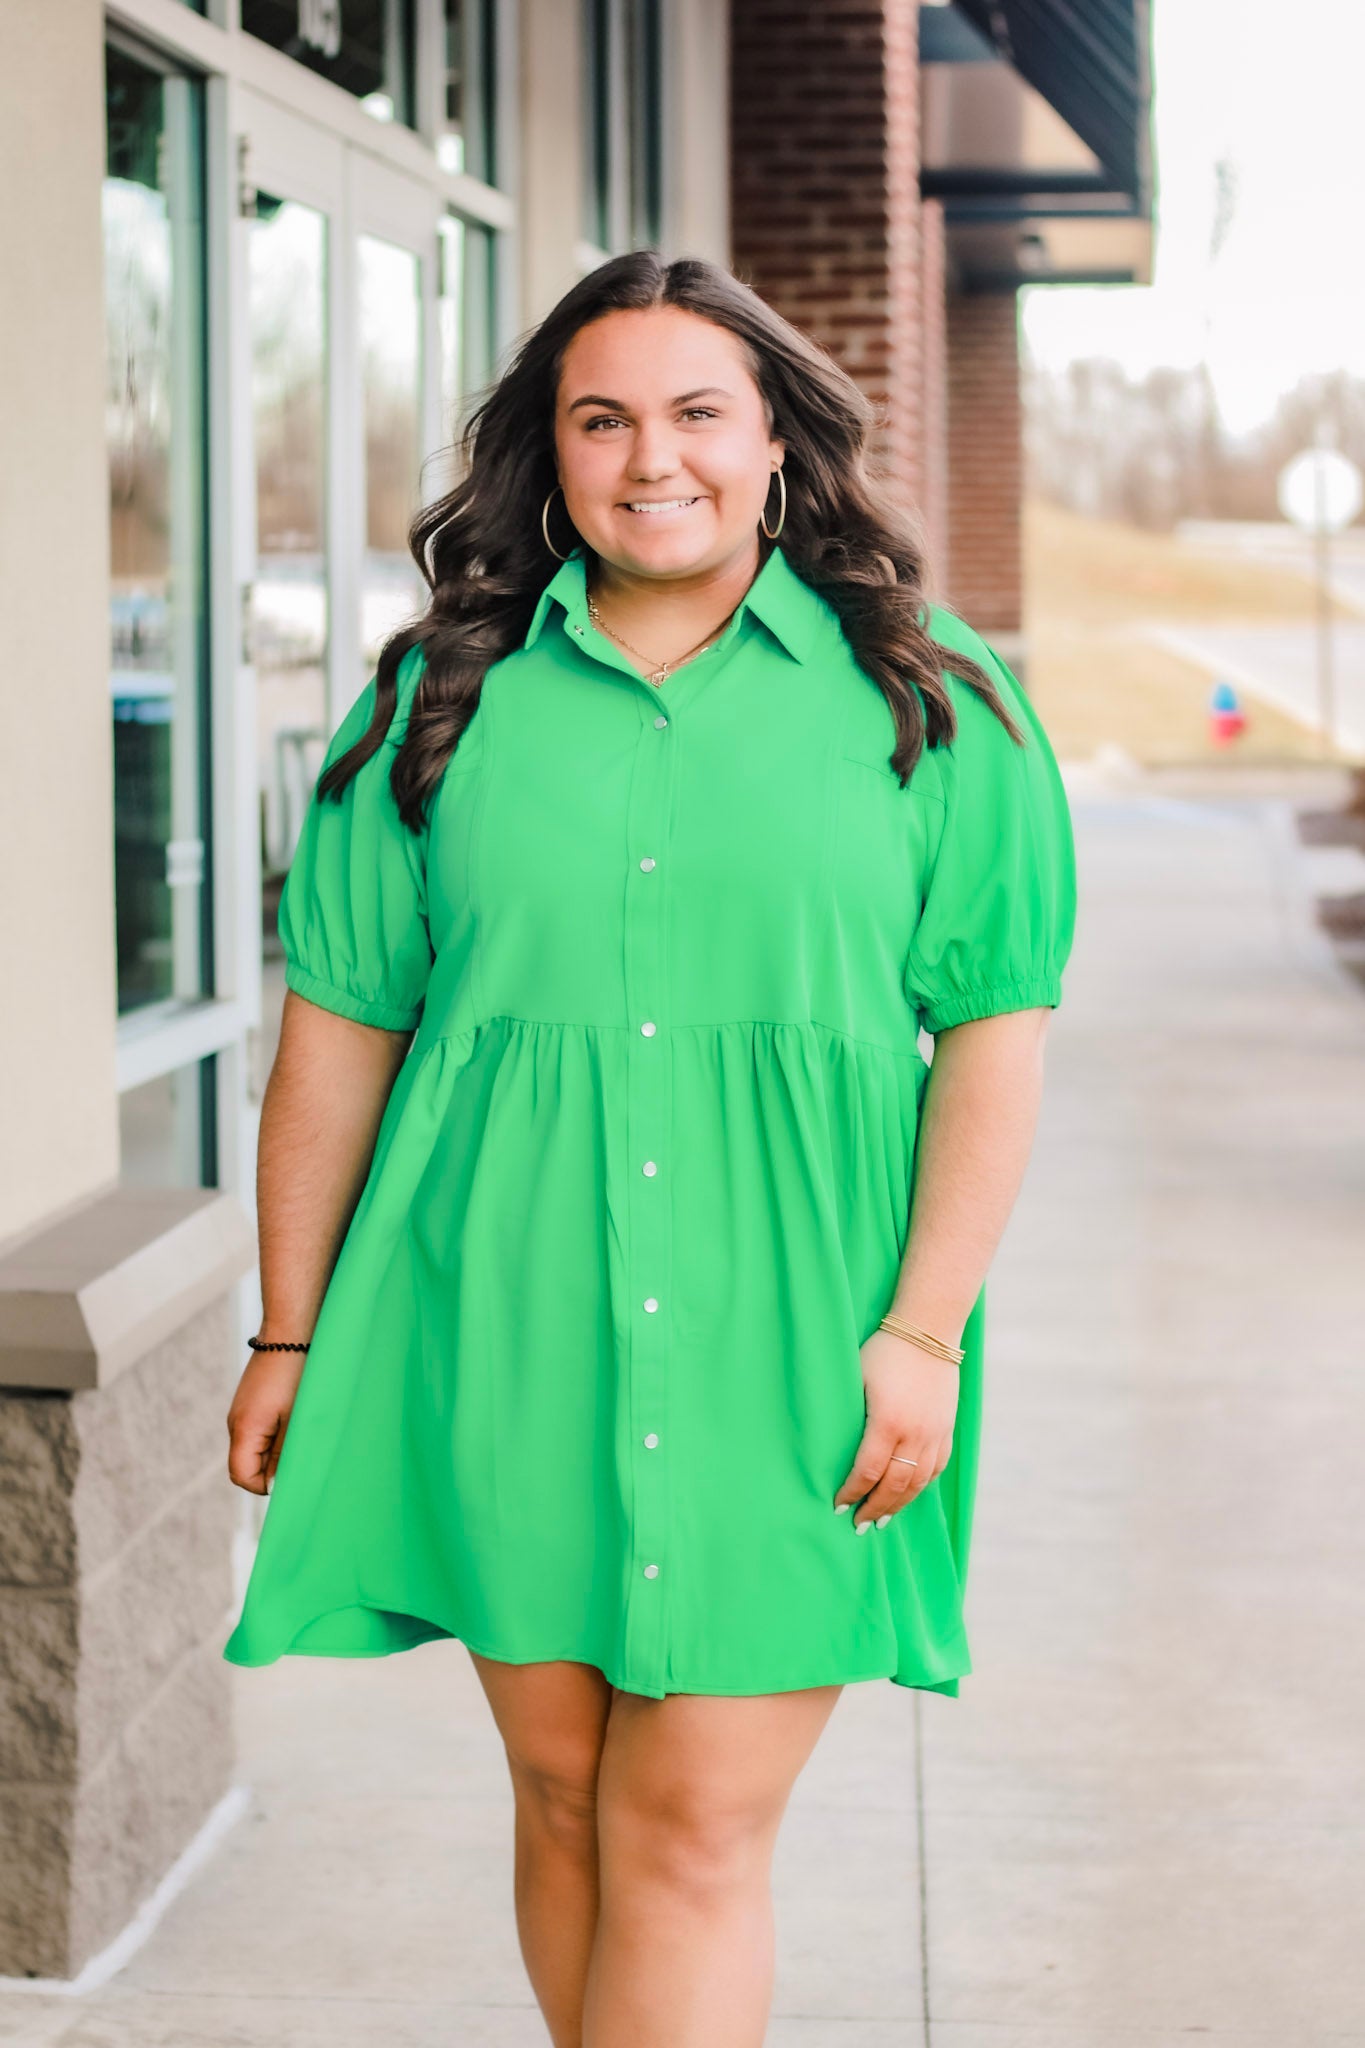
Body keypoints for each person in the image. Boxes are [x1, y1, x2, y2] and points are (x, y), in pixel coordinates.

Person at [223, 249, 1077, 2047]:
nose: (652, 457)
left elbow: (994, 1036)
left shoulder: (931, 699)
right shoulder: (435, 699)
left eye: (698, 412)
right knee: (563, 1798)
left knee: (688, 1824)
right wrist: (290, 1328)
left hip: (803, 1333)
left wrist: (922, 1331)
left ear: (775, 442)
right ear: (550, 451)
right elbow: (341, 1036)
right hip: (497, 1318)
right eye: (601, 419)